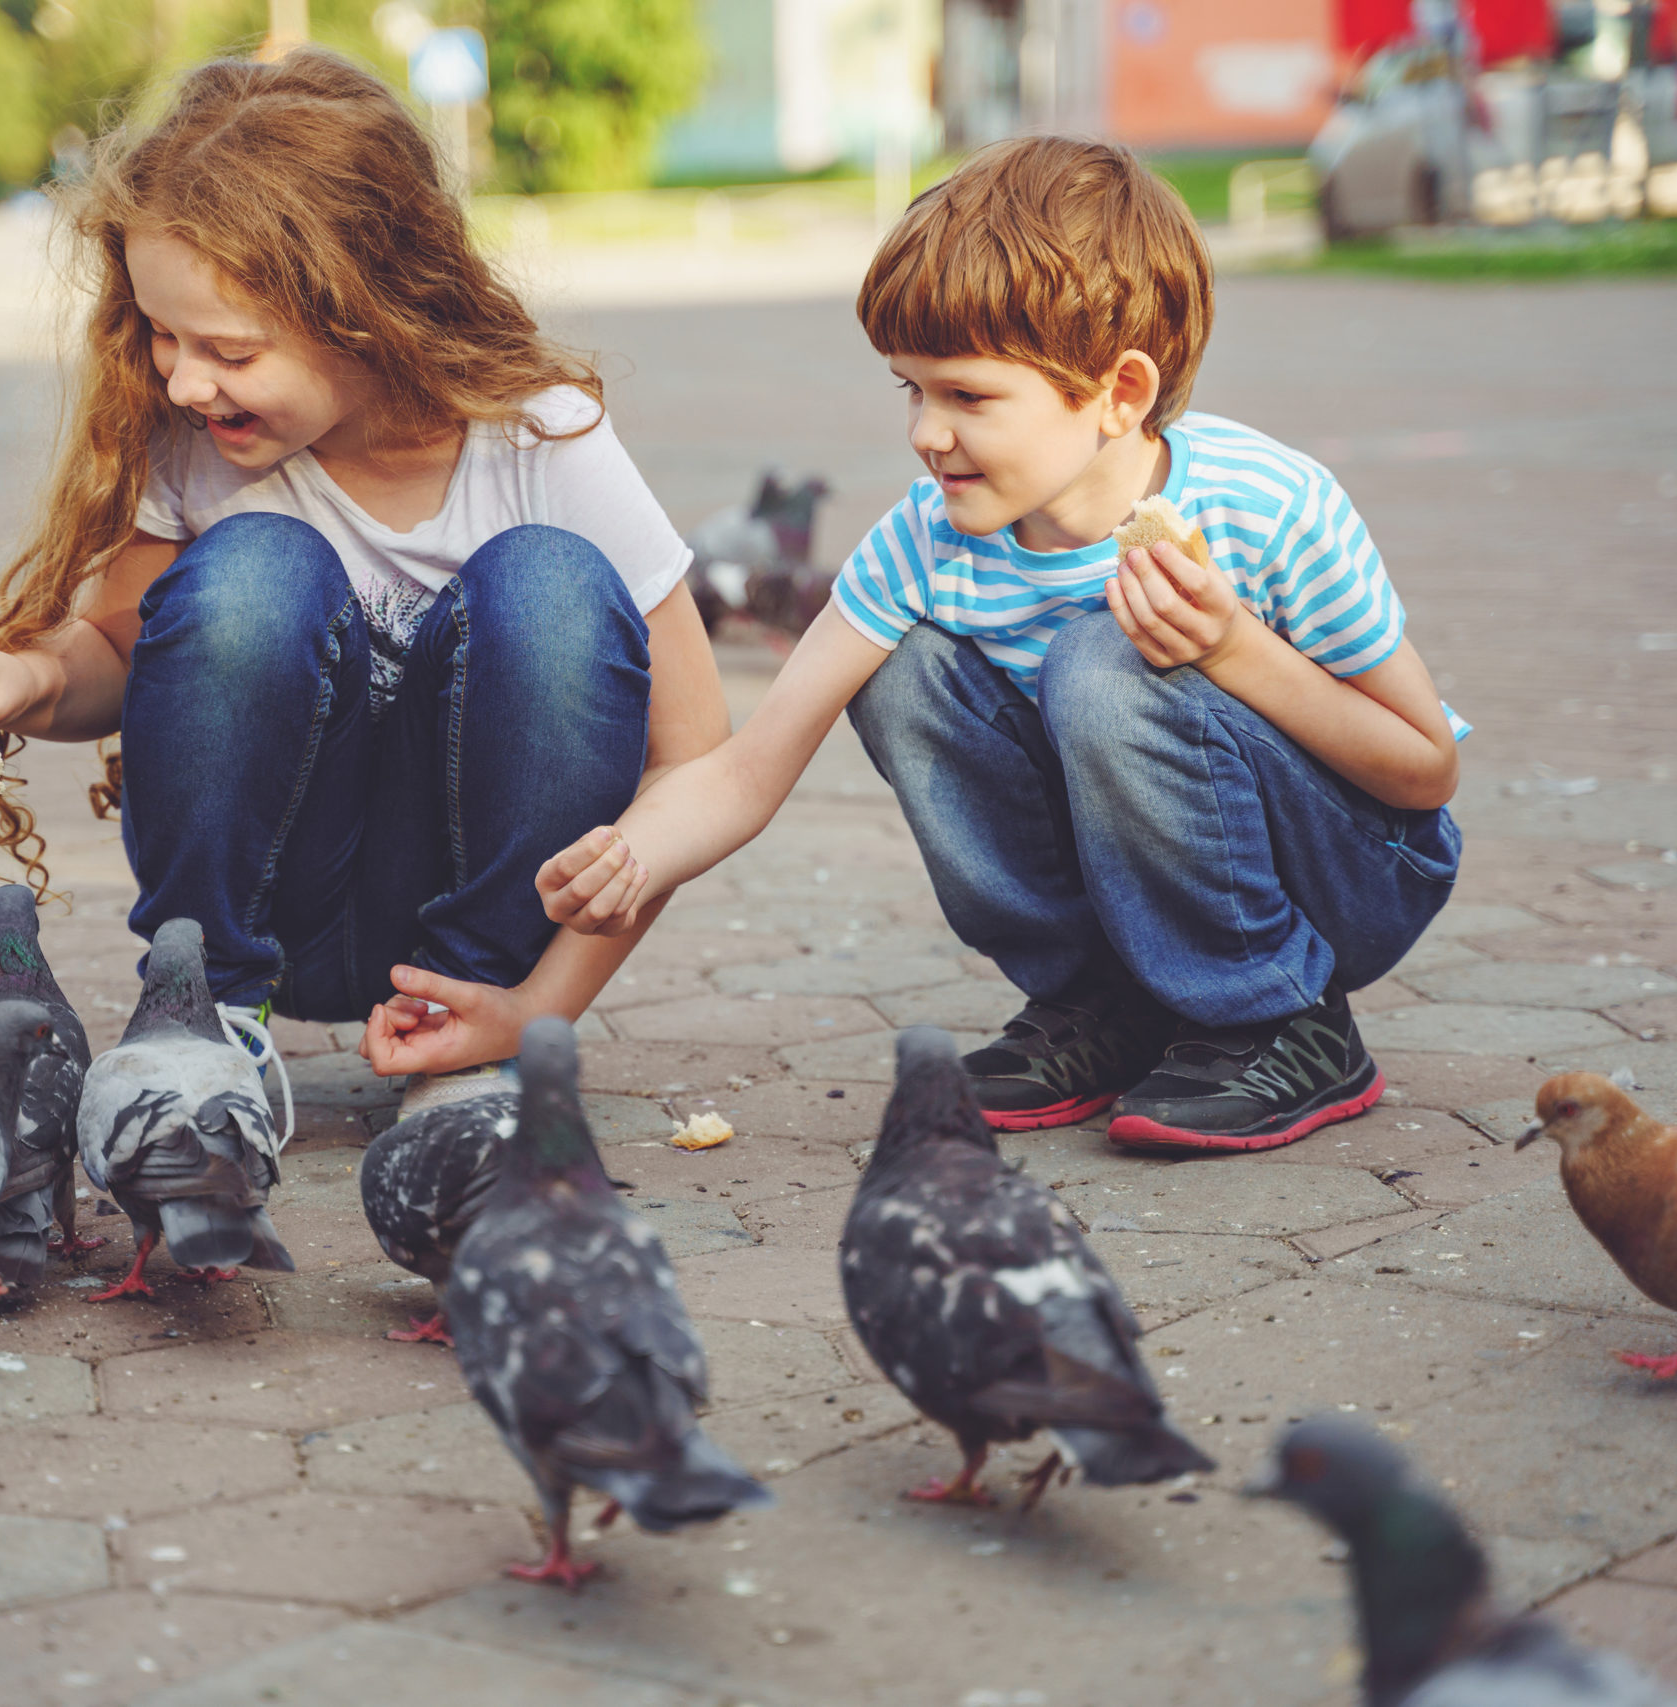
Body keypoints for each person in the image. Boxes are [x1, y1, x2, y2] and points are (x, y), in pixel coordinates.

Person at [538, 138, 1466, 1154]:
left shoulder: (1266, 506)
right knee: (902, 670)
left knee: (1103, 663)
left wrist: (1234, 650)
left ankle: (1277, 1019)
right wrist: (632, 852)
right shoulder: (924, 540)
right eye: (911, 390)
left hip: (1350, 880)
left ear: (1119, 393)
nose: (925, 434)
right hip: (1134, 888)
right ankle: (1102, 1006)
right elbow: (757, 765)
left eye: (968, 397)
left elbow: (1423, 774)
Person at [0, 51, 726, 1110]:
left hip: (481, 927)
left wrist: (543, 1003)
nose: (186, 380)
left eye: (230, 351)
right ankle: (199, 1019)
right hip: (268, 902)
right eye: (160, 334)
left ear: (367, 312)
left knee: (552, 584)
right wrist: (26, 679)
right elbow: (117, 649)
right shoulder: (199, 443)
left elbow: (694, 758)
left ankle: (464, 1033)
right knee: (254, 566)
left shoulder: (539, 436)